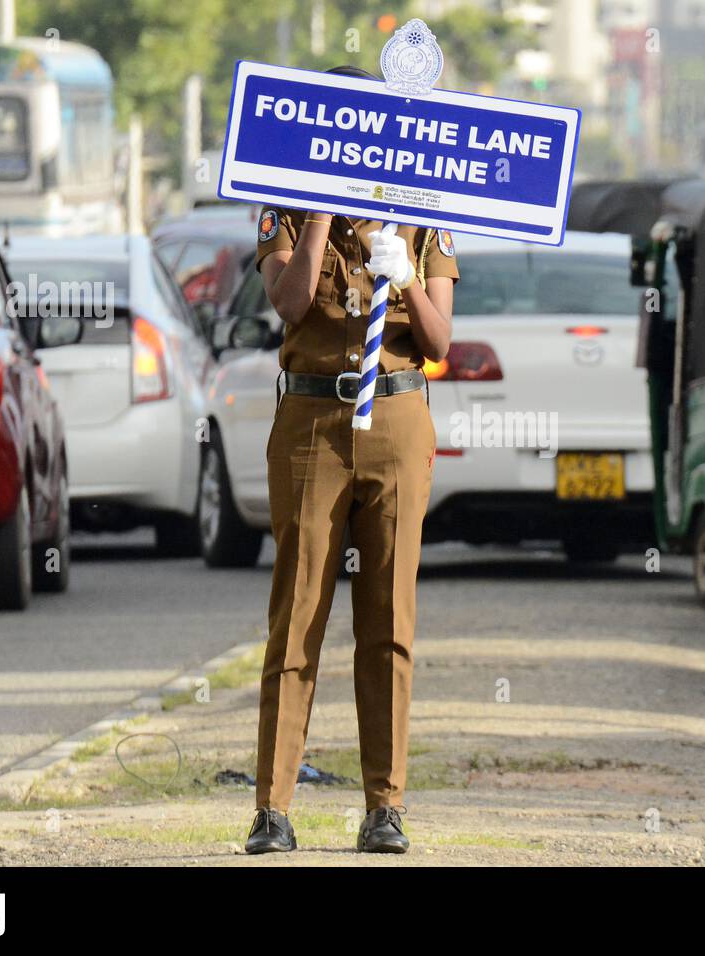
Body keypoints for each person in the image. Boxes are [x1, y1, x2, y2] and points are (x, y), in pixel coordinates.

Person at [244, 65, 458, 855]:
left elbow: (439, 345)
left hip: (397, 415)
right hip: (311, 419)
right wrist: (327, 214)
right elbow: (291, 304)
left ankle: (384, 807)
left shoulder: (421, 209)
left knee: (388, 621)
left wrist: (407, 276)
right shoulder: (283, 204)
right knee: (297, 615)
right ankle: (272, 808)